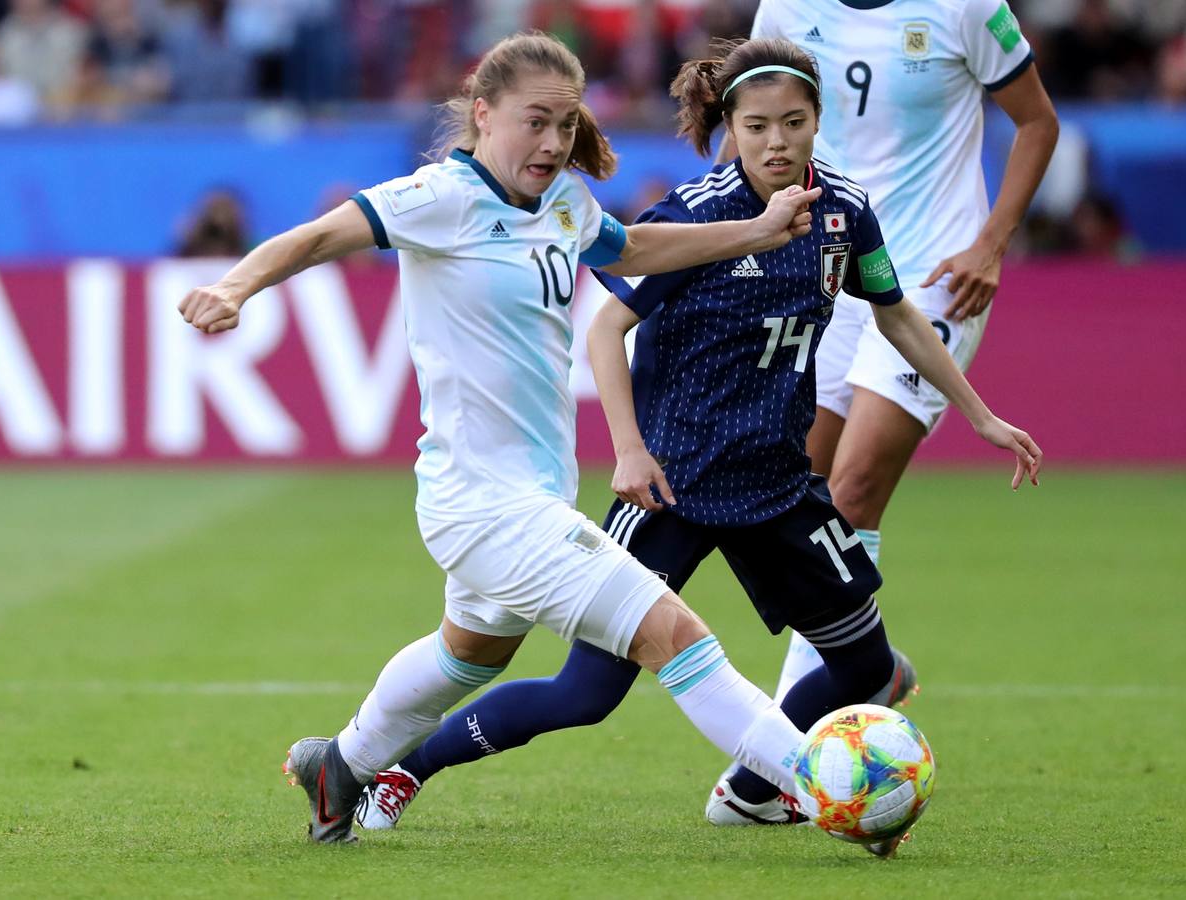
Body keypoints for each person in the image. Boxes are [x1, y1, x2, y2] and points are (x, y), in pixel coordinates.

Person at [357, 38, 1041, 856]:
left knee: (867, 667)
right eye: (757, 126)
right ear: (730, 128)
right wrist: (629, 450)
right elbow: (608, 326)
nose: (777, 141)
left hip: (780, 485)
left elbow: (897, 315)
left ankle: (756, 791)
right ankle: (405, 770)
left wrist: (979, 413)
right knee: (586, 694)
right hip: (670, 488)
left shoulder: (844, 213)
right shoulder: (699, 215)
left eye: (794, 122)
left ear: (822, 122)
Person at [177, 32, 825, 845]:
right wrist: (234, 286)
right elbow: (316, 238)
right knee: (675, 636)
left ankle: (339, 766)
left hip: (527, 494)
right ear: (483, 115)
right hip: (486, 506)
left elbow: (634, 249)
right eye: (534, 122)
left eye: (565, 123)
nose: (553, 142)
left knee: (468, 657)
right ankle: (828, 784)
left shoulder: (562, 204)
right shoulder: (438, 198)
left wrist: (757, 233)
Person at [731, 0, 1059, 711]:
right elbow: (751, 127)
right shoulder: (786, 7)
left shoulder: (965, 7)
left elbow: (1038, 121)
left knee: (852, 492)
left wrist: (991, 243)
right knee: (798, 499)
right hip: (826, 271)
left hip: (936, 277)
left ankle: (786, 751)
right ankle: (863, 682)